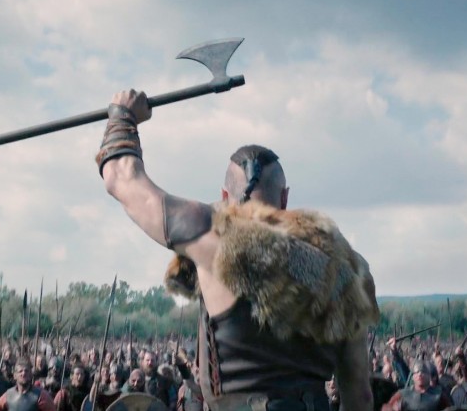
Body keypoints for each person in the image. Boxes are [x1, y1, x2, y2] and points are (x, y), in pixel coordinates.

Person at [95, 89, 379, 410]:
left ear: (224, 197)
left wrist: (123, 116)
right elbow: (359, 396)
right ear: (284, 198)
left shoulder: (213, 239)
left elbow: (121, 179)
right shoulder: (346, 269)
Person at [382, 360, 453, 411]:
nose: (420, 374)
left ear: (429, 376)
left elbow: (451, 408)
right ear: (413, 377)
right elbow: (386, 407)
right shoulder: (402, 394)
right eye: (417, 372)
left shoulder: (439, 394)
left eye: (423, 372)